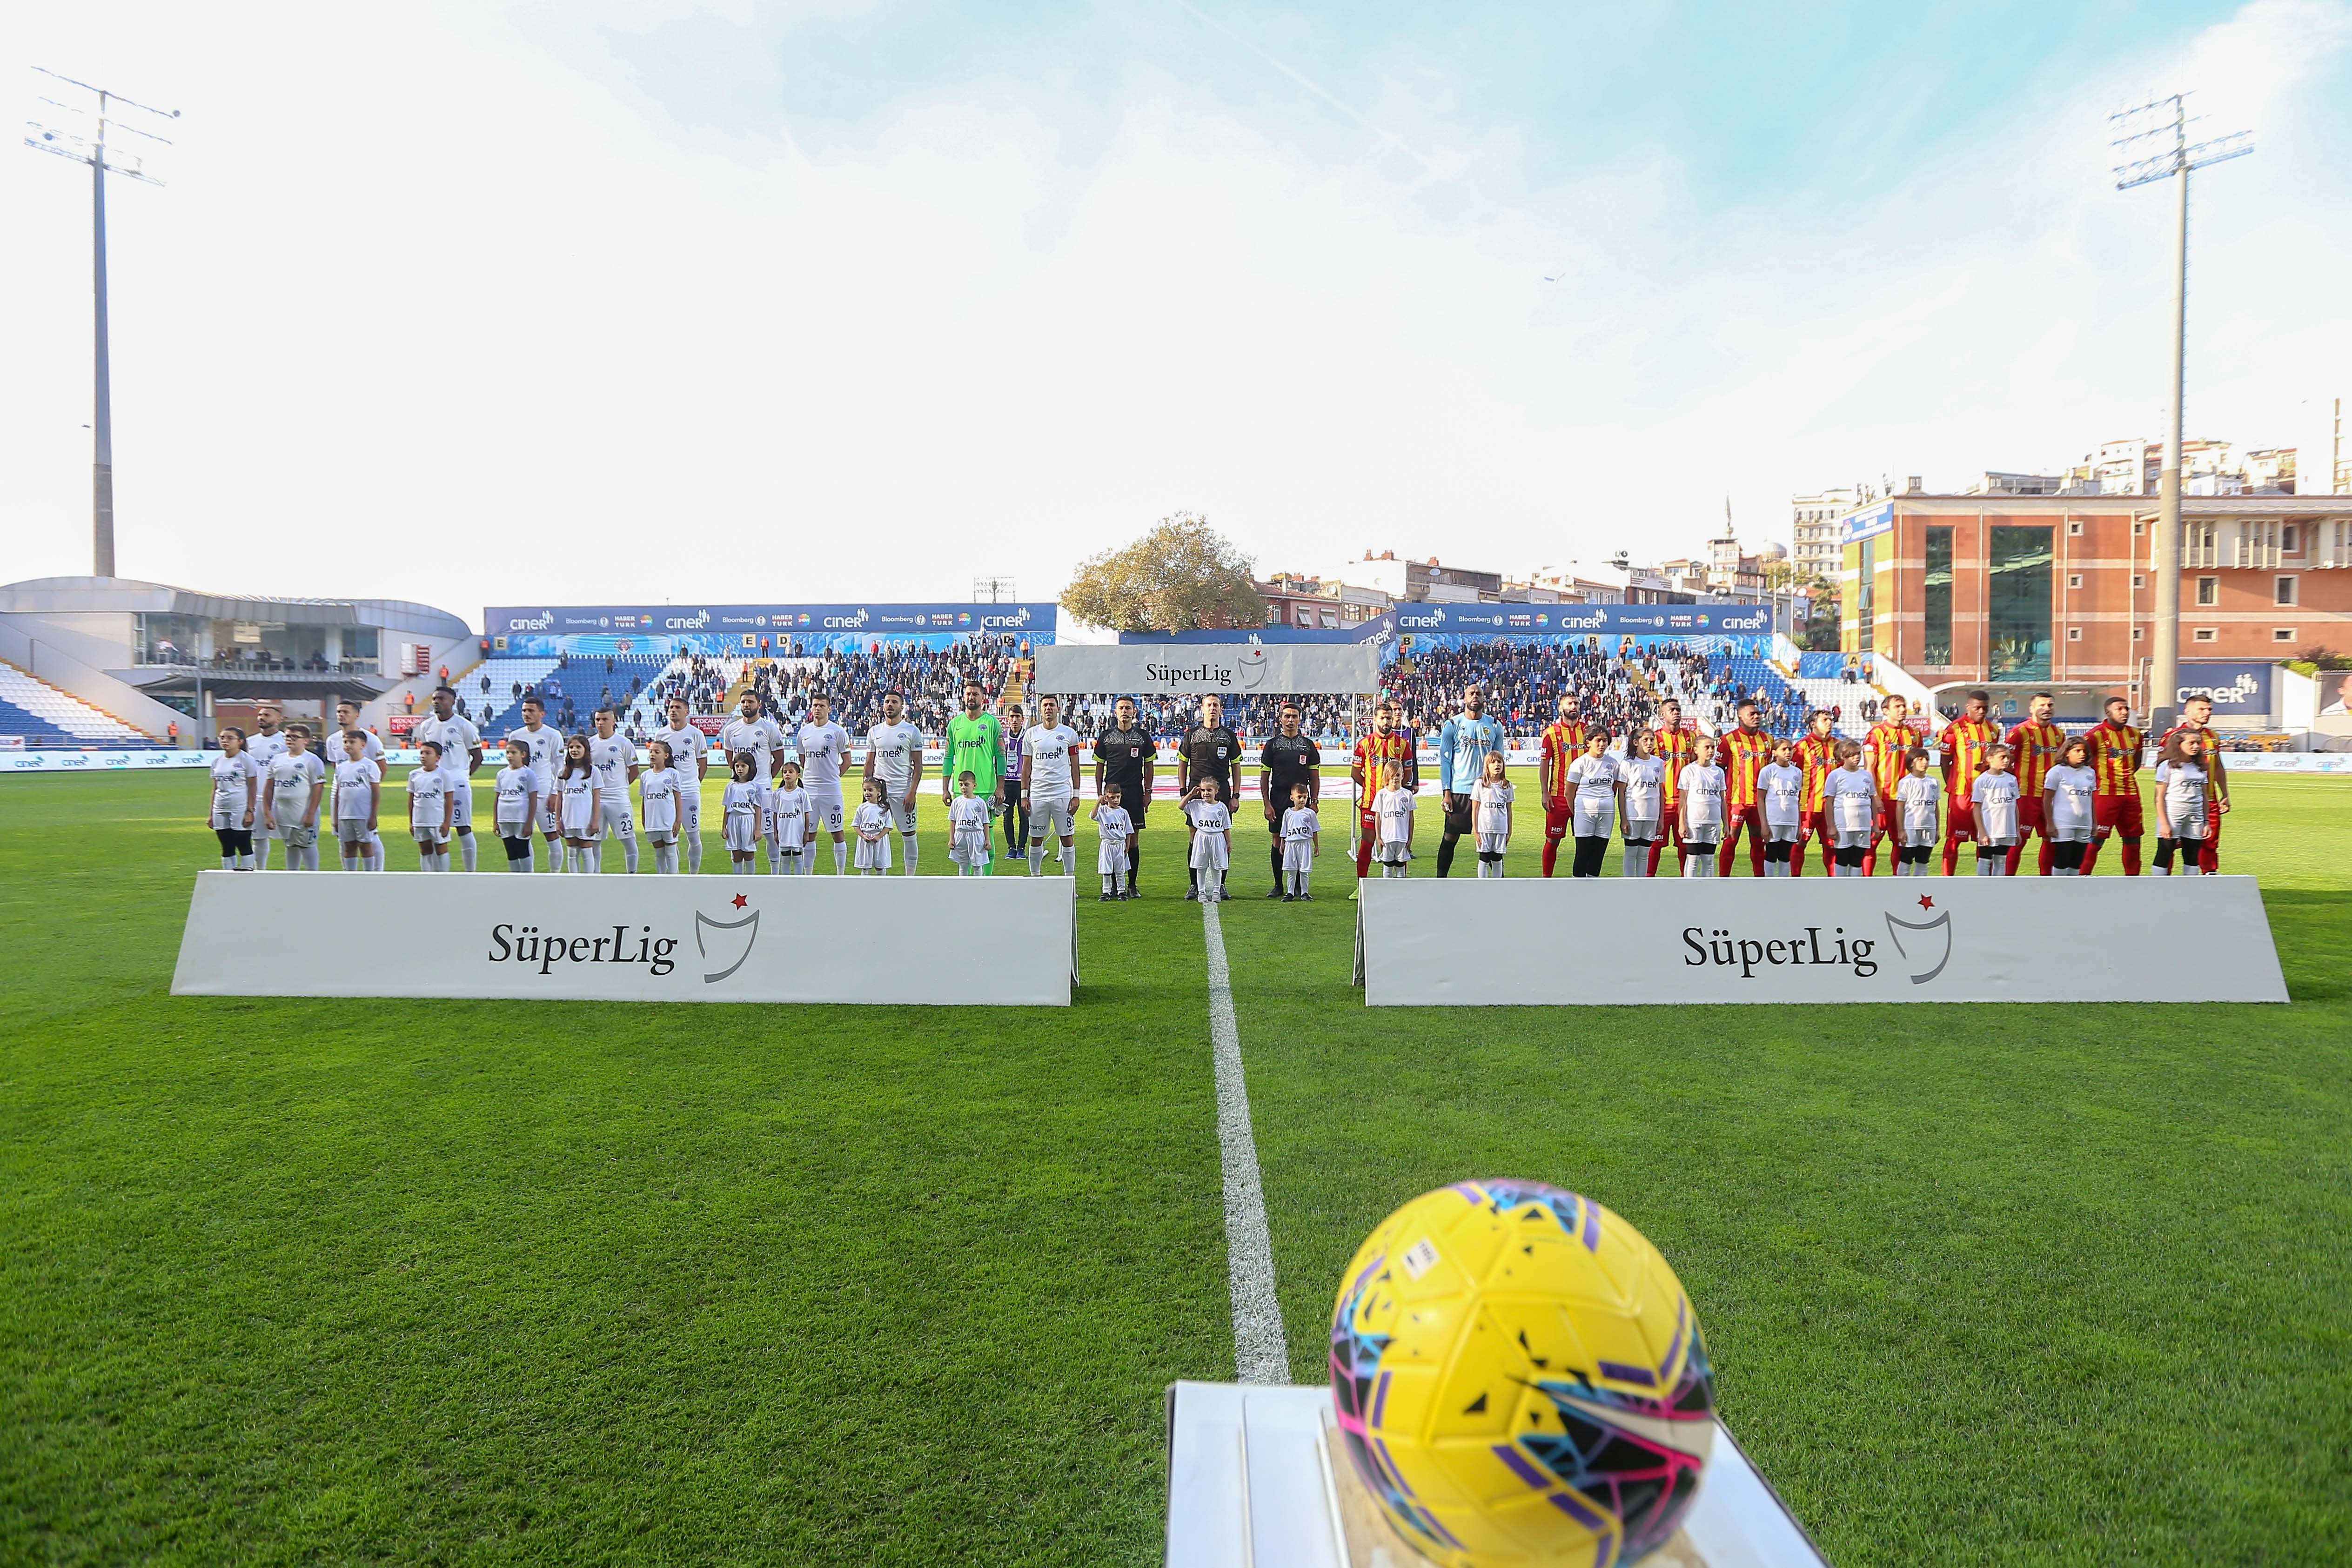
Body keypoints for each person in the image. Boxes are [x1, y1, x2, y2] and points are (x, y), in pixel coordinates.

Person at [412, 685, 484, 872]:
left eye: (442, 699)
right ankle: (437, 876)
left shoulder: (464, 726)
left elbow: (478, 757)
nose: (437, 702)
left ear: (453, 702)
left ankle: (470, 874)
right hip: (433, 786)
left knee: (463, 828)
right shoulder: (426, 726)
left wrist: (463, 776)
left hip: (457, 784)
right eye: (435, 699)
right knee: (435, 830)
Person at [1436, 685, 1507, 878]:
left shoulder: (1494, 725)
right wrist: (1447, 793)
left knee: (1491, 840)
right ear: (1464, 698)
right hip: (1460, 791)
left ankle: (1500, 884)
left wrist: (1499, 789)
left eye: (1479, 694)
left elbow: (1499, 759)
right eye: (1471, 694)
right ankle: (1440, 881)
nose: (1475, 696)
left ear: (1484, 699)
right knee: (1450, 837)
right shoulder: (1453, 724)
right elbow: (1445, 761)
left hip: (1487, 791)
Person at [1178, 696, 1241, 899]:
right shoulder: (1192, 735)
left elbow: (1236, 766)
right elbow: (1182, 765)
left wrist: (1236, 795)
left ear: (1221, 709)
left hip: (1222, 791)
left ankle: (1221, 885)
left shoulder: (1228, 736)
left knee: (1222, 837)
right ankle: (1194, 885)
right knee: (1195, 836)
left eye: (1216, 705)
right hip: (1197, 791)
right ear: (1202, 709)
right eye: (1209, 705)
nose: (1212, 708)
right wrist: (1184, 792)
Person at [2158, 693, 2231, 872]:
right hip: (2178, 801)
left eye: (2209, 709)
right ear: (2188, 712)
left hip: (2208, 800)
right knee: (2169, 846)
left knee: (2209, 844)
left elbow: (2218, 766)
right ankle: (2162, 883)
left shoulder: (2213, 737)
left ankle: (2209, 880)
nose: (2207, 712)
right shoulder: (2173, 736)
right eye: (2202, 709)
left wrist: (2225, 794)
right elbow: (2162, 768)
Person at [1259, 702, 1321, 898]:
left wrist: (1314, 801)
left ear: (1300, 720)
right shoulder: (1272, 745)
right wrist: (1267, 804)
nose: (1291, 720)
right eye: (1287, 716)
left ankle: (1299, 886)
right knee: (1278, 839)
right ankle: (1279, 885)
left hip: (1301, 799)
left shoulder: (1308, 745)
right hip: (1278, 797)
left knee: (1301, 839)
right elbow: (1264, 778)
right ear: (1281, 719)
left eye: (1295, 716)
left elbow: (1315, 777)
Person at [1351, 699, 1415, 890]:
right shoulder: (1365, 744)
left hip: (1396, 804)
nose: (1386, 721)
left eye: (1388, 717)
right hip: (1371, 802)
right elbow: (1355, 773)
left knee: (1400, 842)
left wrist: (1395, 791)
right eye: (1382, 718)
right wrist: (1372, 788)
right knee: (1367, 843)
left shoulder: (1402, 744)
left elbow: (1408, 773)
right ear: (1375, 720)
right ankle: (1361, 886)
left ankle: (1398, 886)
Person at [1094, 696, 1155, 894]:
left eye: (1128, 708)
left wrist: (1148, 792)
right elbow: (1099, 766)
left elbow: (1149, 766)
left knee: (1133, 840)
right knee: (1113, 838)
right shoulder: (1106, 736)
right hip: (1112, 793)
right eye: (1121, 708)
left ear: (1134, 711)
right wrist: (1100, 793)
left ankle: (1132, 885)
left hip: (1134, 793)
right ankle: (1113, 885)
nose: (1125, 711)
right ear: (1116, 712)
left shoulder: (1143, 736)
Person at [2080, 696, 2145, 876]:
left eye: (2126, 709)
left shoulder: (2135, 734)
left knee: (2133, 839)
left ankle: (2133, 879)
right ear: (2108, 712)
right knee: (2096, 839)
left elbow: (2136, 763)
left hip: (2131, 795)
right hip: (2105, 796)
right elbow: (2083, 763)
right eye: (2119, 709)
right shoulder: (2095, 735)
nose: (2124, 712)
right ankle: (2082, 877)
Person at [2004, 691, 2067, 876]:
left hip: (2052, 797)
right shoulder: (2019, 732)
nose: (2047, 708)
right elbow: (2007, 763)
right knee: (2018, 841)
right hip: (2026, 796)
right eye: (2042, 705)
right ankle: (2007, 880)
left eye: (2050, 705)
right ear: (2032, 708)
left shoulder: (2058, 734)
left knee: (2052, 839)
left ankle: (2046, 879)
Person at [1938, 690, 2001, 876]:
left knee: (1986, 838)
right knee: (1954, 839)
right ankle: (1948, 878)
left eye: (1985, 708)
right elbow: (1945, 761)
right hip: (1962, 794)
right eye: (1978, 708)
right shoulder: (1955, 729)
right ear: (1968, 707)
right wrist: (1953, 785)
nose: (1982, 711)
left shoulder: (1993, 730)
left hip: (1988, 796)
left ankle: (1985, 879)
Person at [864, 690, 925, 876]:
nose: (890, 705)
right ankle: (879, 878)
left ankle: (910, 878)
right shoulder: (875, 732)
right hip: (880, 794)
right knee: (876, 835)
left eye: (894, 702)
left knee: (909, 835)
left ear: (901, 706)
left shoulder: (911, 731)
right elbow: (869, 763)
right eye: (887, 702)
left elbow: (918, 765)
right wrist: (866, 790)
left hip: (902, 792)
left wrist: (912, 793)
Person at [1021, 694, 1081, 877]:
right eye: (1045, 705)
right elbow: (1026, 767)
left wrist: (1076, 795)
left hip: (1062, 794)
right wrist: (1024, 795)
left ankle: (1069, 880)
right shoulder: (1031, 734)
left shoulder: (1069, 734)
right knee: (1036, 839)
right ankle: (1035, 878)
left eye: (1052, 705)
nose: (1048, 708)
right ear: (1040, 710)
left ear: (1058, 709)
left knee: (1067, 838)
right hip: (1038, 795)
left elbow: (1075, 766)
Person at [1714, 699, 1776, 877]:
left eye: (1758, 714)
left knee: (1759, 843)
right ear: (1741, 717)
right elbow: (1720, 769)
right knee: (1731, 841)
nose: (1757, 717)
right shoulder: (1729, 740)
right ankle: (1724, 880)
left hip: (1760, 803)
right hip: (1737, 802)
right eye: (1752, 714)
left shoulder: (1768, 740)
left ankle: (1760, 880)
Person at [508, 697, 567, 875]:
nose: (526, 714)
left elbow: (560, 767)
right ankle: (529, 875)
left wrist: (555, 793)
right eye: (524, 711)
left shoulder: (552, 735)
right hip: (521, 795)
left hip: (544, 793)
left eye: (531, 711)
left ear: (542, 714)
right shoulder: (515, 736)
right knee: (523, 836)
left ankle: (555, 875)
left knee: (551, 835)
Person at [651, 695, 708, 875]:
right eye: (671, 708)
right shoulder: (661, 735)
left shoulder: (696, 734)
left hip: (689, 791)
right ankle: (673, 875)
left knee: (693, 835)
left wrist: (694, 783)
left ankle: (693, 875)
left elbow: (703, 763)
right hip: (667, 793)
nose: (673, 711)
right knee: (670, 836)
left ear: (687, 712)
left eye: (677, 708)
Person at [944, 683, 1006, 846]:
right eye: (968, 694)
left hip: (986, 789)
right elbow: (948, 758)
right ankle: (965, 865)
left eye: (975, 694)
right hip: (961, 790)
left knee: (987, 836)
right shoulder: (954, 724)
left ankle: (987, 866)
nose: (971, 697)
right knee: (962, 833)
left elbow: (1001, 757)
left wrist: (1000, 788)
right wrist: (945, 789)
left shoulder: (992, 723)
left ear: (983, 698)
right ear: (964, 697)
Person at [1862, 695, 1917, 877]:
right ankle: (1866, 880)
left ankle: (1898, 880)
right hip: (1884, 798)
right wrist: (1875, 797)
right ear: (1886, 711)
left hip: (1907, 800)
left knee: (1902, 842)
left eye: (1904, 706)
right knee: (1872, 841)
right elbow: (1869, 768)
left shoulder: (1914, 734)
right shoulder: (1876, 734)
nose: (1902, 710)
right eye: (1897, 707)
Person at [1536, 694, 1588, 879]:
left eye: (1576, 703)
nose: (1574, 706)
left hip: (1584, 796)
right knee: (1553, 840)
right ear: (1561, 708)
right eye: (1570, 703)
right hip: (1558, 796)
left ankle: (1581, 879)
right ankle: (1547, 879)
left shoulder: (1588, 732)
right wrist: (1545, 793)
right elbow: (1545, 764)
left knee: (1585, 841)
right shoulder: (1551, 733)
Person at [261, 725, 325, 872]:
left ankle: (313, 877)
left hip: (303, 812)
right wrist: (268, 812)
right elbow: (269, 787)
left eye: (295, 737)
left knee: (308, 845)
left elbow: (318, 788)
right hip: (283, 812)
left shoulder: (312, 760)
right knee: (290, 845)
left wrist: (311, 813)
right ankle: (292, 876)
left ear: (306, 740)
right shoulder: (277, 760)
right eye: (288, 736)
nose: (290, 739)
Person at [590, 707, 641, 874]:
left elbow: (634, 771)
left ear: (614, 721)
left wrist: (621, 786)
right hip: (596, 800)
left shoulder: (623, 743)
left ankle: (632, 875)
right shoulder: (590, 744)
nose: (600, 723)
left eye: (605, 719)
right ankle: (595, 876)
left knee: (628, 839)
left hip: (618, 799)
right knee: (594, 841)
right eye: (598, 720)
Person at [2153, 730, 2212, 875]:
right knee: (2165, 853)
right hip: (2173, 814)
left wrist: (2206, 821)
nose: (2196, 746)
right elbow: (2159, 797)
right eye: (2191, 743)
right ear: (2179, 745)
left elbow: (2205, 796)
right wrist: (2164, 823)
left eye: (2198, 743)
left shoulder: (2201, 766)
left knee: (2192, 856)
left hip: (2196, 816)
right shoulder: (2167, 766)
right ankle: (2158, 886)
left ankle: (2190, 886)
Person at [1560, 730, 1617, 879]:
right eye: (1598, 740)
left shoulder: (1613, 763)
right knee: (1582, 853)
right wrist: (1578, 812)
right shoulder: (1580, 763)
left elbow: (1615, 788)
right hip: (1584, 813)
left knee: (1598, 855)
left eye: (1605, 740)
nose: (1602, 744)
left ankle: (1593, 889)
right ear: (1588, 742)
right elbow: (1569, 792)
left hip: (1607, 814)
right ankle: (1577, 889)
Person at [1790, 709, 1840, 877]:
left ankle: (1835, 881)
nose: (1829, 722)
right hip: (1807, 806)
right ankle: (1795, 880)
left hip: (1831, 808)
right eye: (1825, 720)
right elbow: (1793, 776)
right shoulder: (1802, 747)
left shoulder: (1838, 746)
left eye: (1830, 719)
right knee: (1800, 843)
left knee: (1832, 846)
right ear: (1813, 724)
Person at [2043, 736, 2098, 876]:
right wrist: (2050, 823)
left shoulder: (2090, 772)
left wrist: (2094, 823)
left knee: (2077, 861)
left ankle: (2073, 888)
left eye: (2084, 751)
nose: (2082, 754)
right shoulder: (2057, 772)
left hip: (2084, 823)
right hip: (2064, 823)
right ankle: (2059, 887)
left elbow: (2091, 799)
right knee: (2062, 859)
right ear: (2067, 752)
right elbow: (2047, 799)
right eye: (2077, 751)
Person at [206, 727, 259, 869]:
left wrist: (250, 810)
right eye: (222, 738)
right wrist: (211, 814)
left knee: (243, 844)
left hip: (239, 806)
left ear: (240, 741)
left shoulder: (247, 760)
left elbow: (253, 787)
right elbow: (215, 788)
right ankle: (228, 876)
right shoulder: (217, 761)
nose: (225, 741)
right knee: (226, 846)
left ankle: (247, 874)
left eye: (230, 738)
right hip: (220, 807)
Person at [1824, 739, 1879, 877]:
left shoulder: (1866, 775)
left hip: (1863, 824)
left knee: (1858, 859)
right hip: (1844, 825)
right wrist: (1831, 826)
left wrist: (1876, 825)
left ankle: (1855, 886)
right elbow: (1829, 802)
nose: (1857, 757)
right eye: (1852, 755)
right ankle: (1841, 886)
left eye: (1858, 754)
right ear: (1843, 756)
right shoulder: (1835, 775)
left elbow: (1872, 800)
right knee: (1843, 858)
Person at [1616, 728, 1666, 878]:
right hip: (1634, 814)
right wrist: (1624, 819)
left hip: (1652, 815)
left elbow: (1660, 792)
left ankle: (1641, 884)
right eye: (1645, 740)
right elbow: (1621, 793)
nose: (1649, 743)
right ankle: (1629, 884)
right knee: (1631, 852)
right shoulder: (1628, 764)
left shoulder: (1658, 763)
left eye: (1652, 740)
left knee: (1645, 853)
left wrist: (1661, 818)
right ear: (1636, 743)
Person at [245, 706, 289, 870]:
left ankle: (294, 872)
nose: (261, 718)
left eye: (267, 715)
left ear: (279, 720)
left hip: (282, 796)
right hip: (257, 796)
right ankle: (260, 871)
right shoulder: (250, 742)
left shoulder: (286, 741)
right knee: (259, 837)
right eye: (260, 715)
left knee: (291, 838)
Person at [333, 730, 382, 871]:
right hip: (345, 814)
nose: (348, 745)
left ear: (363, 745)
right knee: (349, 846)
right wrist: (336, 818)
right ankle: (351, 876)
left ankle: (368, 875)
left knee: (366, 845)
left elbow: (376, 792)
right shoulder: (341, 767)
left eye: (352, 742)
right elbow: (338, 793)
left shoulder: (369, 765)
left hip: (363, 814)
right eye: (345, 742)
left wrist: (373, 816)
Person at [1970, 743, 2021, 876]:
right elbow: (1977, 808)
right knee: (1985, 860)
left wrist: (2017, 830)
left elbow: (2015, 806)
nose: (2006, 760)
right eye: (2002, 757)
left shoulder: (2012, 779)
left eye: (2008, 757)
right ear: (1990, 759)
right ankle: (1984, 886)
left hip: (2008, 829)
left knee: (2001, 860)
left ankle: (1999, 886)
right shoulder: (1983, 780)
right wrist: (1982, 832)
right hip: (1990, 829)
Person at [1678, 746, 1727, 878]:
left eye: (1713, 747)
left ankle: (1707, 889)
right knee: (1693, 860)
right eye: (1707, 747)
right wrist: (1682, 824)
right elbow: (1683, 800)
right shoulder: (1689, 770)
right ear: (1696, 750)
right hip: (1694, 822)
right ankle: (1690, 888)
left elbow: (1723, 800)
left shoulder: (1718, 772)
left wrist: (1726, 825)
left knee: (1709, 861)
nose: (1711, 751)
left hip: (1713, 822)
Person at [1756, 738, 1803, 877]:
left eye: (1790, 749)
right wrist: (1764, 824)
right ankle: (1770, 883)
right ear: (1775, 752)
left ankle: (1784, 883)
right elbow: (1761, 798)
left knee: (1786, 854)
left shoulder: (1797, 772)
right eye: (1784, 749)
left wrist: (1799, 824)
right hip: (1774, 819)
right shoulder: (1768, 771)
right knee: (1772, 853)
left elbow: (1797, 799)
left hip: (1791, 820)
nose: (1788, 752)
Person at [492, 737, 540, 871]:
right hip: (504, 818)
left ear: (523, 755)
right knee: (511, 852)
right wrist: (495, 822)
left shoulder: (528, 774)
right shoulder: (502, 774)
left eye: (514, 753)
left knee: (523, 850)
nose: (510, 756)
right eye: (508, 753)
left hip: (520, 818)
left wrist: (529, 823)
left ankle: (527, 877)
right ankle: (514, 877)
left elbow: (533, 800)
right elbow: (497, 798)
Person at [1892, 749, 1940, 875]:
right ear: (1911, 763)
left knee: (1923, 860)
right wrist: (1901, 830)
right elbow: (1900, 807)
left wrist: (1937, 829)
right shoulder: (1906, 782)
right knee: (1906, 859)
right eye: (1920, 759)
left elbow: (1936, 807)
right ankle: (1903, 884)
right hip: (1911, 827)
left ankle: (1920, 886)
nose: (1925, 762)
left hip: (1929, 827)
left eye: (1927, 759)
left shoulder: (1934, 782)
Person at [557, 733, 600, 873]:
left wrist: (595, 821)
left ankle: (588, 881)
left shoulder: (593, 772)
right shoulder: (563, 772)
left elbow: (596, 798)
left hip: (585, 819)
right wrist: (558, 821)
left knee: (587, 852)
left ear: (585, 750)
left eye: (578, 747)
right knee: (572, 853)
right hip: (568, 818)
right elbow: (559, 798)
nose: (574, 750)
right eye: (571, 747)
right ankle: (573, 881)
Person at [409, 740, 455, 871]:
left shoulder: (444, 774)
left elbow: (449, 799)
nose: (423, 756)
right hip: (420, 820)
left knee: (441, 848)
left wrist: (447, 823)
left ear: (438, 758)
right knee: (425, 850)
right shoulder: (414, 775)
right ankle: (426, 877)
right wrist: (411, 822)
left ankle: (444, 877)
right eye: (422, 753)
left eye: (428, 753)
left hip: (437, 820)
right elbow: (411, 800)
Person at [1185, 776, 1232, 901]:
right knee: (1201, 867)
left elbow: (1226, 826)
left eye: (1209, 790)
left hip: (1217, 838)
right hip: (1201, 838)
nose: (1206, 793)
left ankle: (1216, 892)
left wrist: (1229, 842)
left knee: (1217, 867)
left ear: (1216, 791)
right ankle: (1201, 893)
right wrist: (1191, 794)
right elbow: (1181, 806)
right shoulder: (1196, 805)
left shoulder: (1221, 807)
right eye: (1203, 790)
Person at [1469, 750, 1515, 878]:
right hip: (1485, 828)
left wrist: (1509, 831)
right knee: (1484, 858)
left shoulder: (1507, 785)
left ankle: (1497, 886)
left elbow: (1509, 810)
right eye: (1493, 762)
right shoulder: (1480, 784)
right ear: (1487, 766)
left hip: (1501, 829)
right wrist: (1476, 831)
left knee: (1498, 859)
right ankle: (1483, 885)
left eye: (1500, 762)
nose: (1497, 765)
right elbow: (1475, 809)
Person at [641, 739, 683, 874]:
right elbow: (644, 799)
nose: (653, 754)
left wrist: (678, 820)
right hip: (653, 821)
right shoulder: (645, 776)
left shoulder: (672, 774)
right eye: (651, 752)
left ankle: (674, 879)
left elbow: (677, 798)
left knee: (671, 851)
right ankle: (661, 878)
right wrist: (644, 819)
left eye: (657, 752)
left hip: (668, 820)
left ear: (666, 756)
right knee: (659, 853)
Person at [721, 752, 767, 874]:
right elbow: (727, 807)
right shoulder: (731, 786)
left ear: (750, 767)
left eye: (743, 766)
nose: (740, 769)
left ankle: (750, 879)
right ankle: (738, 879)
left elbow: (758, 809)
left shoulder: (755, 787)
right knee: (736, 853)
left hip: (748, 820)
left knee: (748, 853)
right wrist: (724, 827)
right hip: (734, 820)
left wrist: (758, 830)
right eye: (737, 766)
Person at [998, 702, 1031, 863]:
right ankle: (1011, 847)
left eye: (1018, 717)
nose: (1015, 720)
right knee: (1007, 816)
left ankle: (1022, 848)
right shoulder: (1002, 736)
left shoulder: (1028, 736)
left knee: (1024, 816)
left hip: (1023, 783)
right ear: (1008, 719)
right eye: (1012, 717)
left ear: (1022, 719)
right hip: (1007, 783)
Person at [1279, 778, 1320, 900]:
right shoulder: (1288, 813)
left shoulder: (1310, 813)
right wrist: (1282, 844)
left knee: (1304, 870)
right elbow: (1284, 830)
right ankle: (1290, 893)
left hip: (1305, 844)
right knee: (1291, 870)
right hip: (1291, 844)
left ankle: (1305, 893)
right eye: (1299, 797)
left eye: (1305, 797)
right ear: (1292, 798)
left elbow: (1315, 830)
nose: (1302, 800)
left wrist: (1317, 846)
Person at [771, 760, 814, 875]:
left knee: (797, 857)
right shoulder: (777, 794)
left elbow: (807, 814)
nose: (787, 775)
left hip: (797, 832)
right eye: (785, 772)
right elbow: (775, 814)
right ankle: (786, 882)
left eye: (791, 772)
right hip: (783, 831)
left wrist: (806, 833)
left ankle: (798, 881)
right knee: (785, 858)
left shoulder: (802, 793)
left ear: (798, 775)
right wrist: (776, 832)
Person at [1372, 762, 1414, 879]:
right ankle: (1387, 888)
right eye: (1392, 776)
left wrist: (1410, 838)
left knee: (1401, 867)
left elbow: (1411, 818)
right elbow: (1378, 817)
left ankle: (1401, 889)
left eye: (1398, 775)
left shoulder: (1407, 794)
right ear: (1387, 776)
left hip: (1402, 838)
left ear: (1402, 776)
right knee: (1388, 866)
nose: (1395, 778)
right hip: (1387, 838)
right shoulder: (1381, 795)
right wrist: (1379, 837)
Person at [949, 771, 995, 877]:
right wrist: (952, 838)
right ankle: (963, 885)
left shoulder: (980, 802)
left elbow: (985, 822)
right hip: (961, 835)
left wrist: (987, 839)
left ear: (974, 785)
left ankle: (978, 885)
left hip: (976, 835)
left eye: (966, 785)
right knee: (963, 865)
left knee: (977, 865)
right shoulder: (957, 802)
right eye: (961, 785)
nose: (963, 788)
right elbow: (953, 821)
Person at [1094, 784, 1134, 900]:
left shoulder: (1123, 813)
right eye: (1112, 798)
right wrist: (1099, 801)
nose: (1116, 800)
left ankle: (1121, 891)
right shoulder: (1102, 811)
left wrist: (1127, 847)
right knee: (1106, 869)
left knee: (1120, 870)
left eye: (1118, 797)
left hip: (1120, 844)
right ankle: (1106, 891)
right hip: (1107, 844)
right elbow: (1092, 816)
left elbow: (1129, 831)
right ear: (1106, 798)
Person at [851, 777, 893, 875]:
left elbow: (888, 827)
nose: (867, 793)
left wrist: (879, 836)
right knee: (865, 867)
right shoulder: (862, 808)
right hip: (865, 840)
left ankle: (880, 883)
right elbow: (856, 825)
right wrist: (863, 836)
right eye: (865, 790)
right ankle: (865, 884)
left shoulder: (884, 808)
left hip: (880, 840)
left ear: (878, 791)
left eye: (870, 790)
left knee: (881, 866)